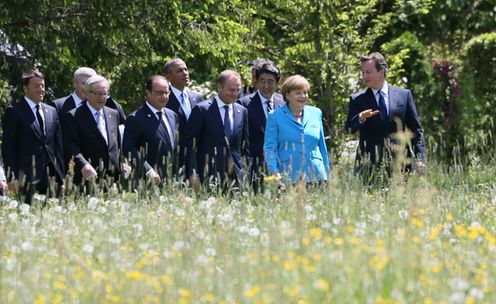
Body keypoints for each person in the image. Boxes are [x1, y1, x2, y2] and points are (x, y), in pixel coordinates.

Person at [345, 52, 426, 174]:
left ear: (381, 71)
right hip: (368, 166)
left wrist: (420, 159)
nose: (364, 76)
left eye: (368, 72)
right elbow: (349, 129)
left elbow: (416, 130)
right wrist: (361, 118)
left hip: (401, 165)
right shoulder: (357, 99)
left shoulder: (404, 96)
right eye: (363, 72)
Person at [1, 69, 65, 203]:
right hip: (25, 179)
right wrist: (11, 177)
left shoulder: (52, 111)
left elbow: (58, 148)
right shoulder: (14, 111)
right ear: (25, 88)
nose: (41, 89)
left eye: (43, 86)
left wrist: (62, 177)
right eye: (36, 86)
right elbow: (8, 148)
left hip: (52, 178)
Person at [184, 70, 249, 186]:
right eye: (231, 90)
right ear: (219, 87)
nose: (235, 94)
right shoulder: (202, 110)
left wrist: (244, 172)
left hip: (236, 178)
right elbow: (190, 145)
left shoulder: (242, 111)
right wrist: (193, 173)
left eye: (238, 90)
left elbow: (244, 146)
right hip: (208, 176)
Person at [264, 75, 330, 184]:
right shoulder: (275, 116)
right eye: (298, 93)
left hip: (317, 176)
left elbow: (322, 146)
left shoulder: (316, 113)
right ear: (288, 95)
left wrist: (328, 174)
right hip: (289, 177)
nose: (303, 96)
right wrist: (273, 171)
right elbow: (270, 148)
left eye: (305, 92)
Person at [64, 75, 122, 187]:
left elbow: (117, 144)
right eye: (98, 94)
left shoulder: (113, 114)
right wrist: (83, 164)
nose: (102, 97)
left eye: (104, 93)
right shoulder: (74, 115)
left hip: (113, 177)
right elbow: (71, 145)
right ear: (86, 94)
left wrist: (122, 163)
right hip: (88, 176)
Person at [123, 75, 178, 186]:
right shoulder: (136, 118)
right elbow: (129, 149)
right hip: (149, 181)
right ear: (148, 93)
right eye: (159, 93)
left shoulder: (172, 115)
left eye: (167, 92)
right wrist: (148, 170)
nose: (164, 96)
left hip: (174, 180)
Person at [239, 62, 284, 192]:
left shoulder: (283, 103)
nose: (266, 86)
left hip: (281, 166)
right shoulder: (244, 104)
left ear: (277, 82)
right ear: (256, 82)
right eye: (262, 81)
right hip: (255, 168)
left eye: (270, 81)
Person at [163, 58, 203, 172]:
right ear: (168, 77)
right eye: (180, 70)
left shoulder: (197, 98)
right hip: (174, 160)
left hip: (197, 159)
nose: (185, 73)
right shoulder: (164, 100)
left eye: (186, 69)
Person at [51, 67, 126, 124]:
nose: (87, 88)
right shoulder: (58, 106)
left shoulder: (106, 104)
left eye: (91, 84)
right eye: (84, 84)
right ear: (74, 83)